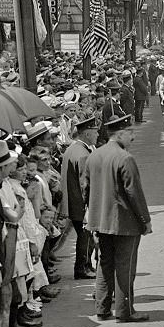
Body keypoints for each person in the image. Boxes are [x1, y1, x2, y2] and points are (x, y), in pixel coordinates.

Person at [84, 114, 152, 322]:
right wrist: (145, 220)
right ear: (120, 134)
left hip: (100, 222)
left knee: (105, 264)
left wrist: (91, 217)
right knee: (125, 267)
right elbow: (135, 194)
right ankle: (125, 311)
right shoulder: (125, 158)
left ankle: (102, 308)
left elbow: (86, 189)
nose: (132, 137)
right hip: (124, 223)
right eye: (130, 133)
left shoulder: (94, 156)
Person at [60, 115, 99, 279]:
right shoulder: (83, 154)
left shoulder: (74, 148)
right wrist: (88, 208)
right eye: (95, 132)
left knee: (85, 237)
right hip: (80, 204)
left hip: (72, 202)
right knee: (86, 237)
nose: (97, 135)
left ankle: (84, 266)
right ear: (87, 133)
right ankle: (83, 268)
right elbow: (85, 184)